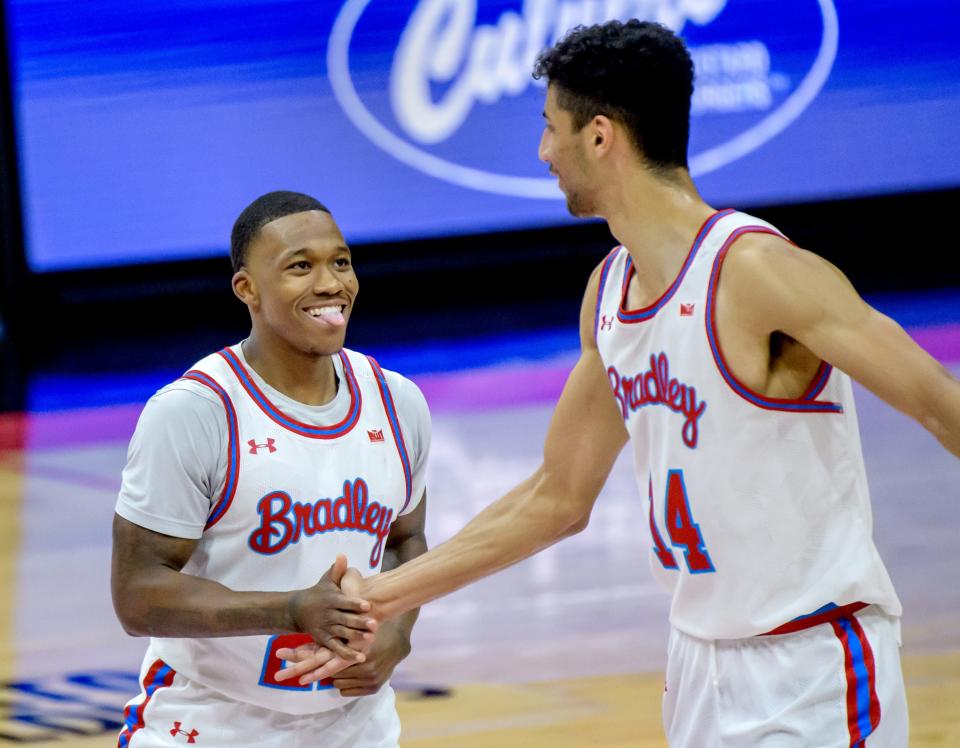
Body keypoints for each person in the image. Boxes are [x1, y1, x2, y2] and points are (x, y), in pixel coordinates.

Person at [276, 20, 960, 747]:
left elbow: (939, 404)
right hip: (698, 665)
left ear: (600, 137)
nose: (543, 152)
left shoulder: (758, 272)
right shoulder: (609, 294)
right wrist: (376, 597)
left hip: (813, 663)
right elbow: (555, 498)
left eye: (550, 128)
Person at [110, 191, 429, 747]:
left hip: (356, 725)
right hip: (211, 722)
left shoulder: (397, 402)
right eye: (300, 266)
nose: (331, 283)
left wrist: (397, 633)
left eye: (341, 261)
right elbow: (137, 595)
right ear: (247, 289)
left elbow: (407, 539)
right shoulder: (195, 411)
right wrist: (291, 610)